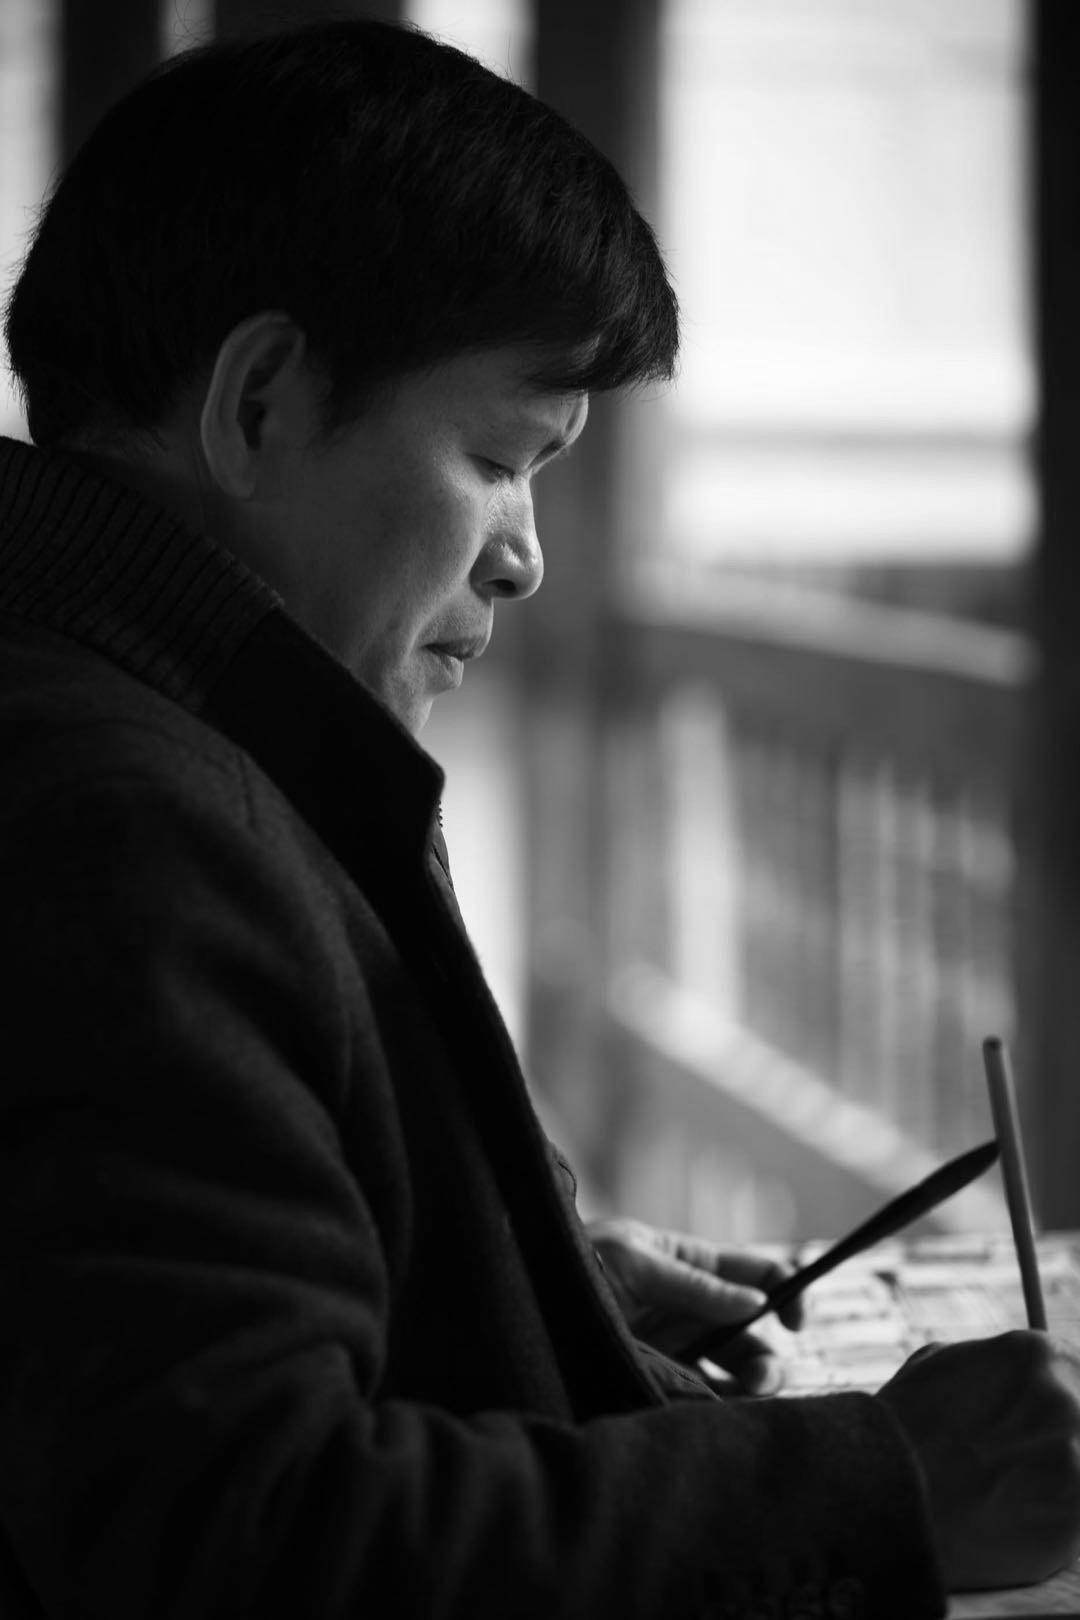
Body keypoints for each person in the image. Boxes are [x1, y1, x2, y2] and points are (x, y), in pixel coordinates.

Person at [0, 17, 1077, 1619]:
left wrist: (511, 1270)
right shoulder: (124, 822)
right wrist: (883, 1485)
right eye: (501, 457)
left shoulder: (129, 715)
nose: (524, 556)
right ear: (262, 402)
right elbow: (240, 1539)